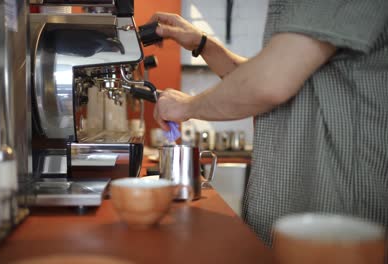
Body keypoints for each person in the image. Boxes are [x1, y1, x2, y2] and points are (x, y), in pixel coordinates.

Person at [150, 0, 388, 245]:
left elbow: (270, 82)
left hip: (336, 216)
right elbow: (277, 77)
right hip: (292, 209)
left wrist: (187, 106)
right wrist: (202, 44)